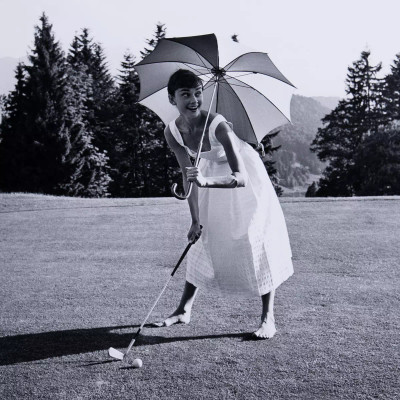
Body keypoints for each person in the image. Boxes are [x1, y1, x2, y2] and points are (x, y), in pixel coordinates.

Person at [157, 69, 293, 339]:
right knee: (203, 239)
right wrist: (194, 219)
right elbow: (188, 175)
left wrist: (206, 182)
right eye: (186, 95)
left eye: (198, 93)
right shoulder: (172, 132)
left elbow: (240, 177)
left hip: (245, 179)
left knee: (255, 239)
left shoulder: (218, 125)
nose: (194, 100)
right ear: (172, 99)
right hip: (208, 174)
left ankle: (268, 318)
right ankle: (184, 309)